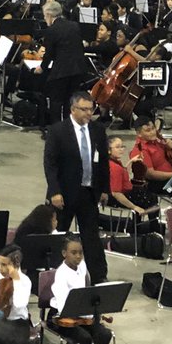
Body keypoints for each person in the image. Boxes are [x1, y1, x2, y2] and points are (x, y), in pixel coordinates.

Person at [43, 92, 109, 281]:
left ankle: (98, 276)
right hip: (64, 193)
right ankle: (52, 274)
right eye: (84, 109)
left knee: (91, 236)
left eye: (91, 109)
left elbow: (103, 162)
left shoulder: (97, 130)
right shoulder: (58, 131)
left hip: (88, 192)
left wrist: (104, 189)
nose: (89, 113)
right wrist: (54, 191)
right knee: (59, 234)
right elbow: (50, 164)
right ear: (73, 109)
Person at [47, 235, 111, 344]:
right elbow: (64, 306)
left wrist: (96, 312)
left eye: (80, 252)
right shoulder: (61, 274)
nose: (78, 256)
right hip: (61, 316)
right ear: (64, 254)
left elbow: (86, 293)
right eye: (74, 253)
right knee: (85, 338)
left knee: (105, 335)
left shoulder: (82, 265)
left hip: (82, 314)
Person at [36, 0, 89, 123]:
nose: (45, 19)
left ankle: (57, 128)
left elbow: (49, 54)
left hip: (61, 71)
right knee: (70, 101)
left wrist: (42, 67)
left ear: (49, 15)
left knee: (56, 101)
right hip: (78, 69)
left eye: (44, 16)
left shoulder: (51, 30)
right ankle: (69, 126)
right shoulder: (74, 25)